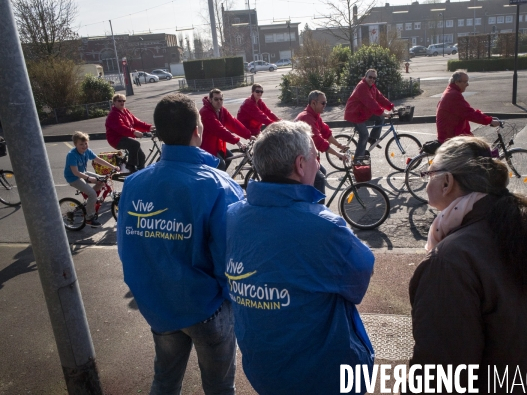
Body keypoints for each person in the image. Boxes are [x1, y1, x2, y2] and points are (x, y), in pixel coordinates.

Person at [408, 136, 527, 393]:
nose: (426, 180)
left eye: (428, 173)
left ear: (446, 182)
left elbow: (438, 378)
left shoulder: (451, 260)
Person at [221, 121, 375, 395]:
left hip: (263, 368)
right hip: (322, 375)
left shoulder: (233, 215)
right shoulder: (325, 227)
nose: (319, 163)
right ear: (301, 165)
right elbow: (358, 281)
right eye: (316, 156)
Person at [117, 93, 243, 395]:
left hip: (159, 307)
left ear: (159, 133)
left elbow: (127, 249)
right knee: (220, 387)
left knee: (164, 381)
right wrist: (228, 301)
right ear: (197, 131)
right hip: (207, 308)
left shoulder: (134, 184)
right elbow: (232, 259)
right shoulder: (218, 185)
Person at [295, 90, 348, 201]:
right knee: (319, 179)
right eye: (323, 103)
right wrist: (338, 154)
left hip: (307, 156)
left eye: (325, 103)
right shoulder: (306, 117)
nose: (325, 105)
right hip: (299, 159)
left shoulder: (315, 115)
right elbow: (318, 141)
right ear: (313, 103)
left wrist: (339, 145)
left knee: (321, 172)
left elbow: (325, 132)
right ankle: (319, 210)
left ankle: (312, 202)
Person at [63, 131, 120, 228]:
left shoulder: (87, 151)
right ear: (75, 144)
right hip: (73, 177)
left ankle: (90, 200)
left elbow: (98, 159)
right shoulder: (72, 154)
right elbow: (75, 172)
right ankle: (89, 218)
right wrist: (89, 178)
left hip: (83, 173)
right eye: (81, 144)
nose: (84, 146)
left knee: (102, 181)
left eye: (86, 143)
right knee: (92, 194)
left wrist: (113, 167)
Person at [436, 71, 500, 143]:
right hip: (452, 138)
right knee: (482, 148)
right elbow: (469, 113)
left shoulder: (451, 91)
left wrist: (487, 117)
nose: (467, 84)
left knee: (479, 146)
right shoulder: (453, 95)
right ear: (457, 82)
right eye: (465, 81)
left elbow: (466, 111)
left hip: (452, 135)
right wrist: (489, 121)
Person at [344, 69, 394, 159]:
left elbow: (380, 97)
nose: (372, 79)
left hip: (363, 112)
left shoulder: (372, 86)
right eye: (370, 77)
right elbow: (370, 102)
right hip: (355, 114)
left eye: (374, 78)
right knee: (364, 135)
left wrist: (391, 107)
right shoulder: (362, 87)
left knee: (380, 118)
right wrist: (383, 112)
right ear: (365, 77)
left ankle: (372, 138)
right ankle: (358, 158)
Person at [200, 88, 254, 171]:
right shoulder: (205, 112)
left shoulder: (222, 110)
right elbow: (219, 130)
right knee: (220, 164)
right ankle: (216, 182)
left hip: (217, 144)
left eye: (221, 99)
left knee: (229, 157)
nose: (219, 101)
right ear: (210, 100)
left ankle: (222, 178)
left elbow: (234, 123)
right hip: (207, 146)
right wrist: (237, 141)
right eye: (216, 99)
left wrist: (248, 135)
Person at [105, 93, 152, 173]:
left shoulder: (125, 111)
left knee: (141, 156)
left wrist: (149, 127)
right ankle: (130, 165)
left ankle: (140, 174)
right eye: (119, 101)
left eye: (123, 101)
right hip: (116, 139)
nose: (122, 102)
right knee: (135, 144)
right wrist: (134, 132)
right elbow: (121, 128)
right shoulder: (113, 115)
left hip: (126, 137)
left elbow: (136, 122)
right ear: (114, 102)